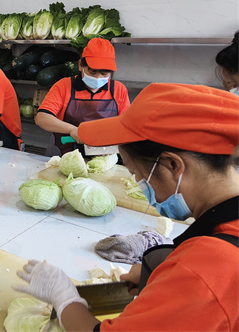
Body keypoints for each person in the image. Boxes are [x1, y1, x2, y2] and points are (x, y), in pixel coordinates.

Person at [14, 83, 239, 332]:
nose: (139, 183)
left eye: (136, 173)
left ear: (173, 165)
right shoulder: (223, 231)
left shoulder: (205, 269)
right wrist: (162, 271)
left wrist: (64, 298)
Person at [35, 37, 130, 156]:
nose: (98, 78)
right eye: (92, 72)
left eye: (104, 73)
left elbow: (126, 125)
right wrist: (73, 130)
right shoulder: (64, 86)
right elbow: (42, 118)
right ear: (80, 65)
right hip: (65, 154)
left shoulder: (118, 89)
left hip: (103, 156)